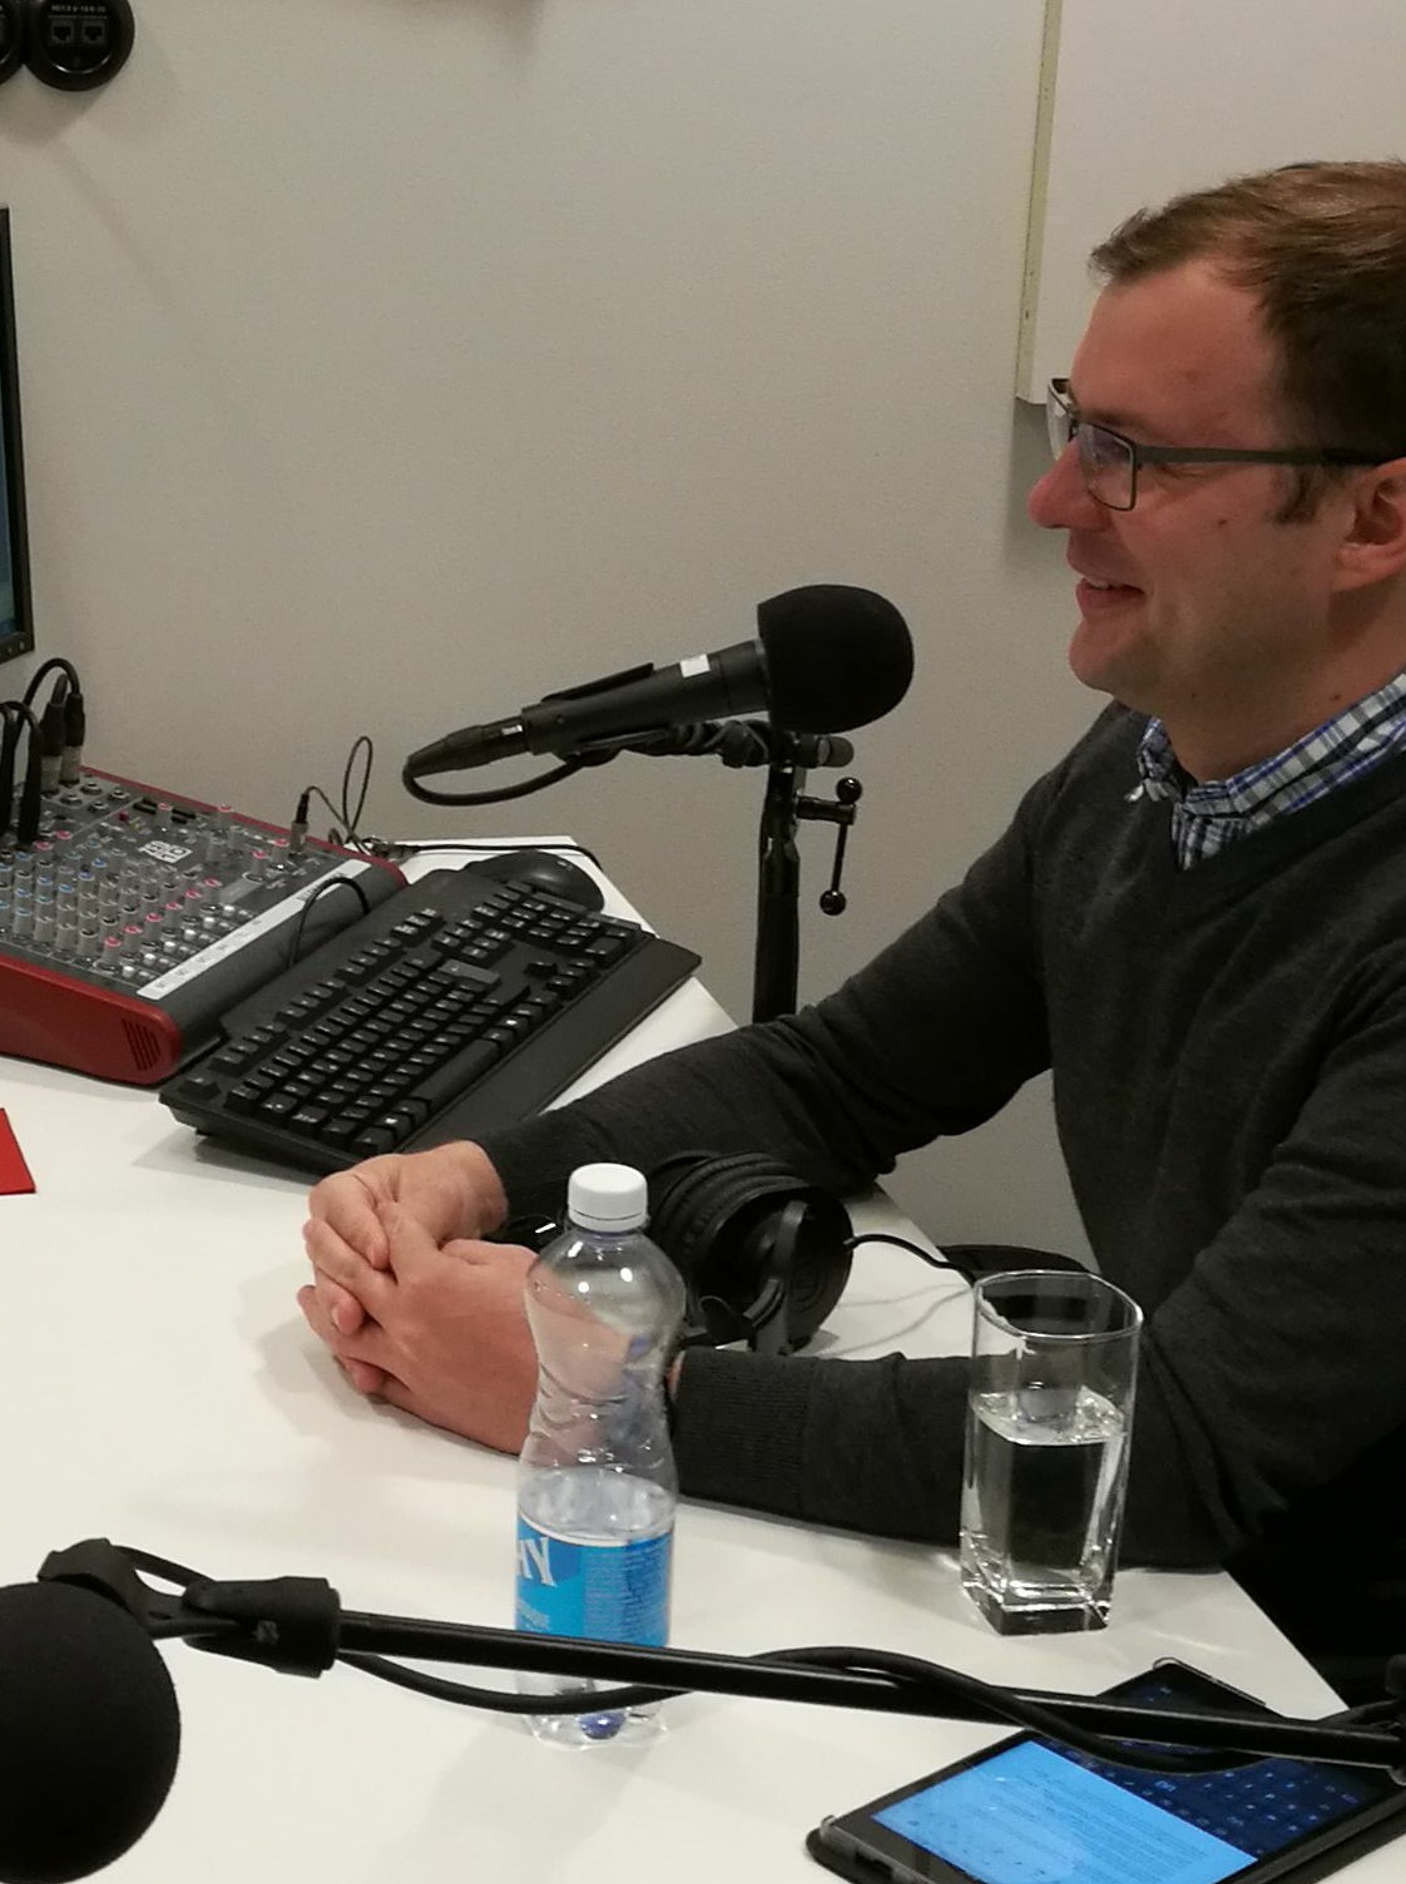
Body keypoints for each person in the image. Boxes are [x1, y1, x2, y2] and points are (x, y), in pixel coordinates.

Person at [301, 160, 1406, 1700]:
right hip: (1175, 1592)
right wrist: (481, 1177)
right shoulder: (1154, 767)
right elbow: (843, 1075)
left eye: (1132, 457)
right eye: (1073, 426)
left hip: (1323, 1682)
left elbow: (1183, 1450)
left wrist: (615, 1390)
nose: (1055, 500)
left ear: (1375, 515)